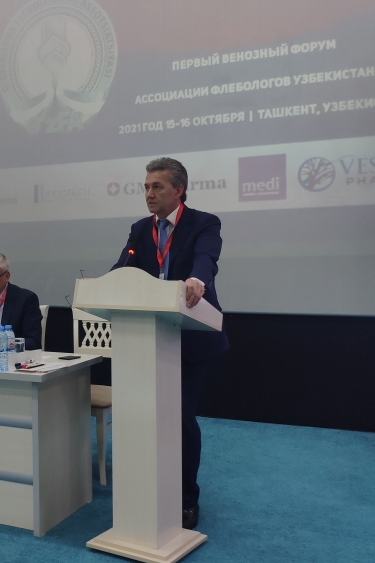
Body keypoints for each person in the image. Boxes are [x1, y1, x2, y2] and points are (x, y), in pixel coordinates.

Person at [111, 157, 229, 530]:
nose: (149, 194)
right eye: (146, 187)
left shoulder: (204, 223)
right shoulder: (139, 229)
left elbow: (206, 259)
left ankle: (186, 498)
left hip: (191, 336)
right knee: (146, 416)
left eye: (157, 187)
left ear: (178, 190)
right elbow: (124, 267)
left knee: (179, 417)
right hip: (148, 338)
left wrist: (197, 280)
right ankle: (149, 489)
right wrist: (106, 285)